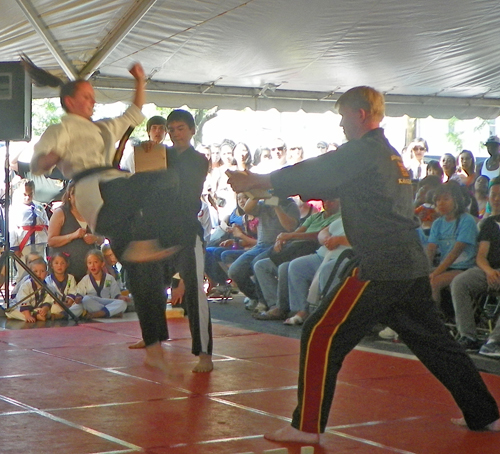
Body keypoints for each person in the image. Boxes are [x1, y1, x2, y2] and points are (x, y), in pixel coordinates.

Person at [227, 86, 500, 443]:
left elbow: (318, 170)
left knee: (320, 333)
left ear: (360, 114)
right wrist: (265, 184)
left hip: (381, 264)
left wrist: (259, 180)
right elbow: (324, 178)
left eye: (343, 116)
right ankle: (485, 414)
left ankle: (306, 426)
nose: (341, 124)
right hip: (408, 263)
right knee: (436, 343)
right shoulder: (388, 155)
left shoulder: (364, 150)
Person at [450, 176, 500, 354]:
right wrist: (489, 271)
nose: (496, 199)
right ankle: (468, 335)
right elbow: (481, 256)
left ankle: (495, 340)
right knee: (460, 282)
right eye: (493, 195)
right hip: (489, 271)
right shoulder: (488, 224)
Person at [426, 182, 478, 308]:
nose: (441, 203)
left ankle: (435, 321)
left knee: (434, 282)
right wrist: (425, 270)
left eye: (446, 199)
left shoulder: (467, 220)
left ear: (457, 200)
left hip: (464, 268)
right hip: (445, 267)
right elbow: (431, 249)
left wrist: (434, 273)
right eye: (437, 200)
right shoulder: (437, 223)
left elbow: (455, 252)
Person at [48, 182, 103, 282]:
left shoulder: (92, 213)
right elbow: (51, 241)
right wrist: (73, 236)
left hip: (89, 272)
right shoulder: (60, 213)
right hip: (65, 273)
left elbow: (102, 238)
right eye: (75, 194)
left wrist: (95, 238)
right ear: (70, 195)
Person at [10, 180, 49, 283]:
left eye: (30, 194)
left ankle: (39, 291)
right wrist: (15, 247)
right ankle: (18, 295)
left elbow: (47, 224)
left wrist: (49, 239)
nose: (27, 197)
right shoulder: (15, 209)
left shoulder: (39, 207)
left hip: (39, 241)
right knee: (23, 270)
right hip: (24, 244)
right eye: (24, 194)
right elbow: (12, 229)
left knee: (39, 268)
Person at [76, 249, 127, 319]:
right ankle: (110, 312)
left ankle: (101, 313)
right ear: (87, 265)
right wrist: (78, 298)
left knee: (123, 303)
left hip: (107, 302)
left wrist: (121, 297)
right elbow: (79, 294)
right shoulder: (85, 279)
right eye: (89, 263)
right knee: (86, 299)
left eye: (95, 262)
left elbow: (116, 294)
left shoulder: (110, 278)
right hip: (94, 303)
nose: (92, 265)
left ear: (102, 264)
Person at [5, 258, 54, 322]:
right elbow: (23, 300)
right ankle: (35, 315)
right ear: (30, 273)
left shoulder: (48, 286)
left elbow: (48, 299)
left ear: (46, 273)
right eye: (35, 271)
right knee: (10, 311)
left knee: (52, 310)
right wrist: (28, 315)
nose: (39, 274)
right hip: (21, 307)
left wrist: (45, 309)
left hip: (36, 308)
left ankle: (36, 314)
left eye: (42, 271)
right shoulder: (26, 285)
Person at [45, 252, 83, 320]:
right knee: (53, 308)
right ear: (51, 265)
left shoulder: (71, 278)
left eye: (62, 263)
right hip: (56, 304)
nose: (59, 266)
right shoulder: (48, 280)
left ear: (67, 265)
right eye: (56, 263)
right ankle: (66, 314)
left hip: (68, 305)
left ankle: (62, 315)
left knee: (80, 306)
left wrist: (70, 301)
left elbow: (73, 291)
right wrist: (60, 304)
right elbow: (49, 296)